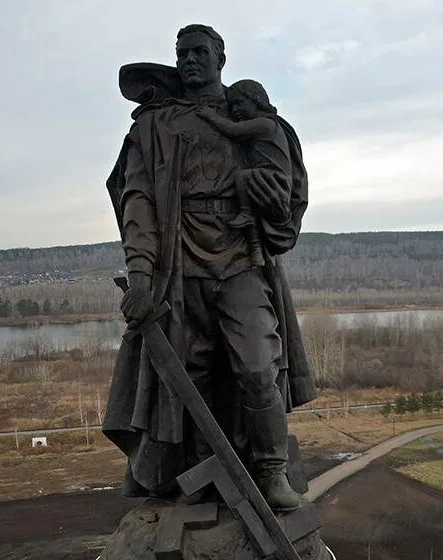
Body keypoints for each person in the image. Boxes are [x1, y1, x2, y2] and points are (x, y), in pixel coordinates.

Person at [103, 24, 314, 511]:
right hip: (178, 268)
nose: (189, 61)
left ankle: (270, 469)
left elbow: (287, 210)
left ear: (221, 57)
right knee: (187, 377)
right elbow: (137, 202)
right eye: (182, 54)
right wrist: (140, 274)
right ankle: (202, 474)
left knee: (260, 365)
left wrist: (275, 209)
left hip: (242, 260)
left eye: (199, 52)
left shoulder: (254, 119)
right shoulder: (154, 126)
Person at [195, 80, 291, 232]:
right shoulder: (268, 125)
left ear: (256, 100)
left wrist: (210, 116)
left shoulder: (264, 124)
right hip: (270, 177)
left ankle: (246, 213)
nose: (234, 110)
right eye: (232, 106)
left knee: (241, 177)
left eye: (239, 103)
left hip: (272, 177)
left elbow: (233, 129)